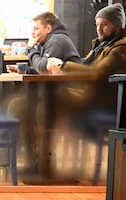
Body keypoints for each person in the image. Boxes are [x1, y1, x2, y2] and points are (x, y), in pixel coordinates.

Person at [9, 13, 82, 167]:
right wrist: (27, 71)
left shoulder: (57, 41)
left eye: (36, 28)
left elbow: (44, 69)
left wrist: (30, 49)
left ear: (48, 28)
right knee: (18, 106)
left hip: (73, 96)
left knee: (40, 110)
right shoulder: (50, 41)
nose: (32, 33)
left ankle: (45, 164)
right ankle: (32, 161)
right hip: (56, 94)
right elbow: (45, 67)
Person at [47, 2, 126, 112]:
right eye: (97, 25)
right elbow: (87, 63)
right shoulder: (106, 43)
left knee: (51, 100)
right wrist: (62, 64)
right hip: (96, 92)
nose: (99, 29)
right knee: (47, 96)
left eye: (104, 25)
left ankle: (52, 129)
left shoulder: (124, 47)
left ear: (117, 26)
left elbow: (97, 72)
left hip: (106, 98)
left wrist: (62, 66)